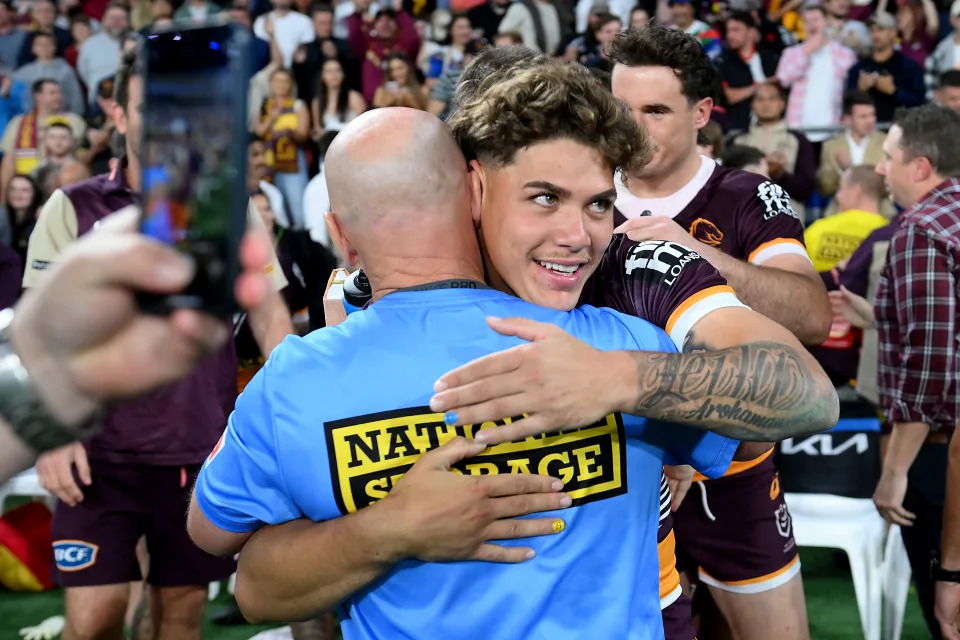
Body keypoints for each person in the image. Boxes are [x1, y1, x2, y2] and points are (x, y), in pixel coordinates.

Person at [189, 76, 832, 638]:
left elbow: (805, 396)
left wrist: (616, 380)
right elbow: (253, 583)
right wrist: (388, 528)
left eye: (600, 204)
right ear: (473, 189)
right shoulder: (336, 331)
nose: (577, 236)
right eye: (544, 197)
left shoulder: (633, 287)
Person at [21, 49, 293, 640]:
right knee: (94, 622)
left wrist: (288, 410)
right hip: (94, 455)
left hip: (199, 452)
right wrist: (48, 433)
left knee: (181, 617)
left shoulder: (226, 208)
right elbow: (34, 333)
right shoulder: (71, 206)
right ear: (118, 113)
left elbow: (271, 321)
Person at [603, 25, 830, 640]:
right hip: (621, 475)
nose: (632, 128)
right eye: (621, 109)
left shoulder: (749, 197)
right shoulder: (584, 196)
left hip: (731, 472)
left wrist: (697, 257)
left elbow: (812, 315)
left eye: (655, 111)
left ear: (702, 112)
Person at [0, 206, 275, 483]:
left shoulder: (236, 208)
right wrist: (51, 381)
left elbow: (271, 312)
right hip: (101, 456)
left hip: (202, 438)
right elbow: (40, 308)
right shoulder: (73, 202)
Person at [871, 104, 960, 639]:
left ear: (921, 166)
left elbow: (933, 358)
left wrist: (895, 468)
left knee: (947, 614)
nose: (880, 169)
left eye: (887, 157)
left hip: (936, 454)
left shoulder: (921, 230)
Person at [733, 82, 816, 217]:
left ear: (782, 104)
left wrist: (780, 174)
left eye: (772, 99)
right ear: (752, 105)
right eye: (760, 99)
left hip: (786, 218)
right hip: (744, 217)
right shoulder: (738, 140)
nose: (766, 104)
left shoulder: (798, 140)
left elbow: (806, 188)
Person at [254, 68, 310, 230]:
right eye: (277, 81)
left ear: (290, 84)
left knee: (297, 208)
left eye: (285, 81)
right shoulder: (264, 105)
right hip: (268, 162)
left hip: (292, 162)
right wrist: (272, 117)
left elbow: (303, 134)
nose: (281, 85)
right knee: (272, 205)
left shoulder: (298, 105)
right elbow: (259, 131)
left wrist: (288, 132)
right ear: (271, 84)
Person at [846, 11, 925, 124]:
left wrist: (893, 91)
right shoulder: (859, 67)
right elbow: (846, 104)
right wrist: (860, 90)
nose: (875, 35)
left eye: (880, 29)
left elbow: (919, 102)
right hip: (867, 135)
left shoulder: (908, 67)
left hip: (899, 130)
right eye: (872, 30)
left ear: (893, 33)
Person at [715, 11, 780, 132]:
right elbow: (729, 96)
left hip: (774, 127)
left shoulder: (770, 57)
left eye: (736, 30)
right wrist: (761, 86)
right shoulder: (723, 61)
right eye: (728, 30)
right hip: (739, 128)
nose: (729, 35)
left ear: (751, 32)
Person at [817, 91, 884, 197]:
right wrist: (838, 170)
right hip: (842, 209)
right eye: (863, 117)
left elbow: (886, 185)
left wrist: (850, 169)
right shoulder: (831, 146)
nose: (870, 121)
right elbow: (825, 187)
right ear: (848, 119)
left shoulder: (885, 143)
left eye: (872, 115)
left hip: (878, 209)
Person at [311, 58, 366, 136]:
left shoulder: (353, 97)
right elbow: (318, 130)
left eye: (337, 70)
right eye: (329, 71)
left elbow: (365, 125)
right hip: (328, 145)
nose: (333, 75)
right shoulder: (316, 102)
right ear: (322, 75)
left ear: (343, 74)